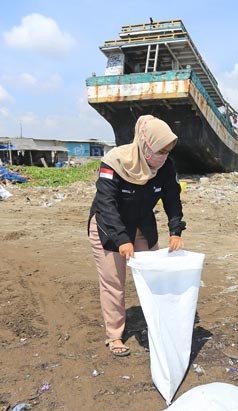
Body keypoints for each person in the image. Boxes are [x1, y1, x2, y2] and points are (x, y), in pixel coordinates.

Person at [88, 115, 186, 357]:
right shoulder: (114, 162)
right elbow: (106, 204)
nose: (163, 156)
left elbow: (172, 198)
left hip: (142, 223)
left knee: (154, 276)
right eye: (160, 150)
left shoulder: (165, 166)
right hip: (109, 226)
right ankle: (114, 335)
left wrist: (176, 230)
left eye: (167, 151)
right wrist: (122, 239)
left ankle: (157, 324)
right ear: (145, 144)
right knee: (114, 283)